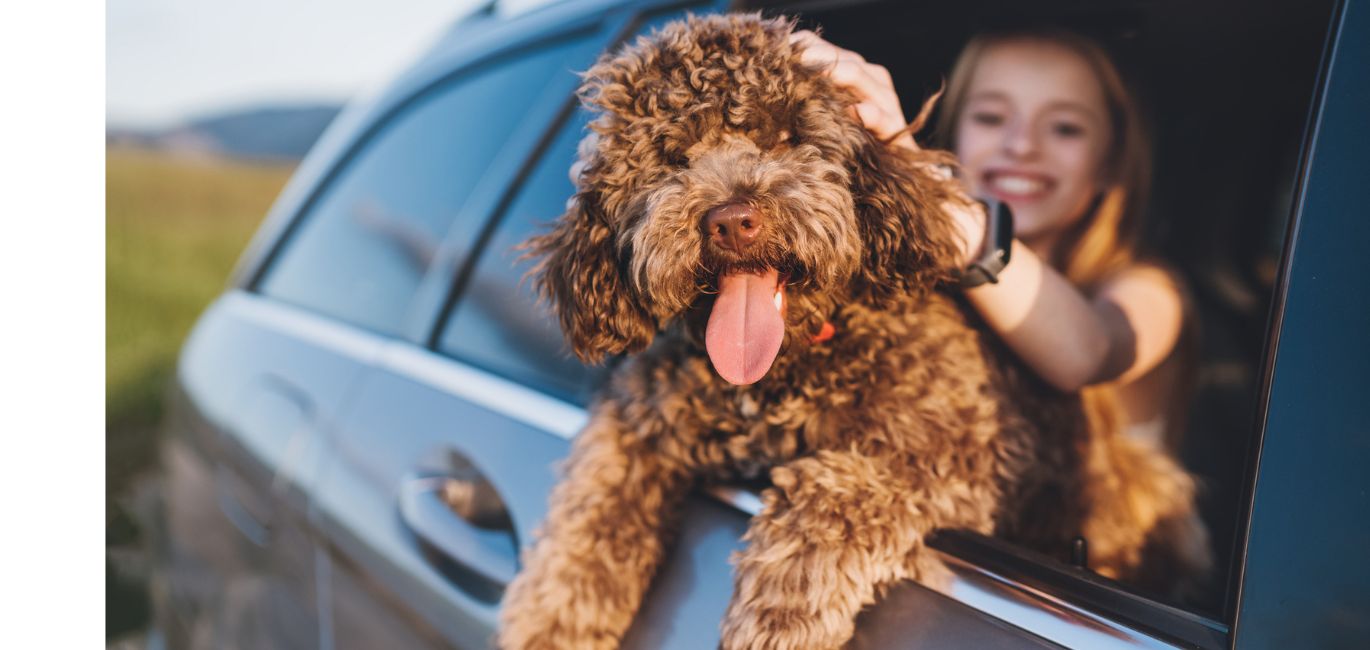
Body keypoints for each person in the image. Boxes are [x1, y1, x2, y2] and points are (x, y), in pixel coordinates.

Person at [792, 28, 1193, 449]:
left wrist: (923, 184)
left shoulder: (1150, 289)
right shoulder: (919, 288)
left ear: (1112, 162)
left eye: (1065, 128)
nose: (1021, 146)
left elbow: (1085, 355)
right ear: (955, 135)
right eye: (991, 118)